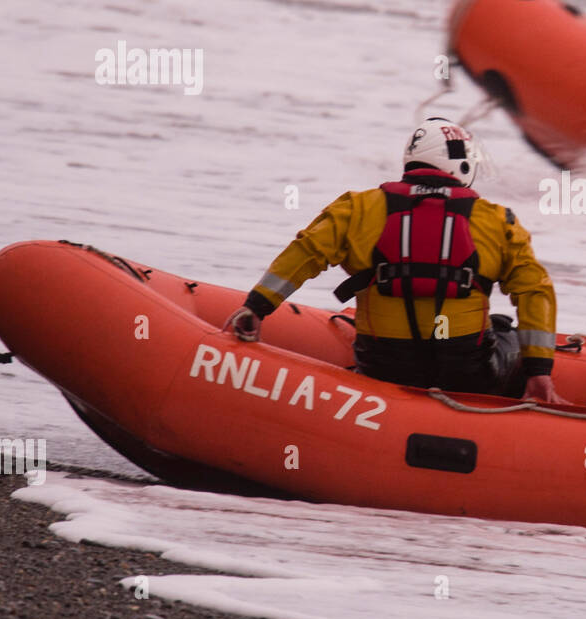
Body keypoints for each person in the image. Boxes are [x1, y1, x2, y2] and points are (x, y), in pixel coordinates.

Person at [224, 117, 568, 404]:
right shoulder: (496, 220)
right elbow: (535, 291)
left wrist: (256, 307)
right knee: (503, 329)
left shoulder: (357, 208)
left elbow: (305, 252)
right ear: (459, 163)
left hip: (382, 365)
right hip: (467, 373)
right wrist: (538, 371)